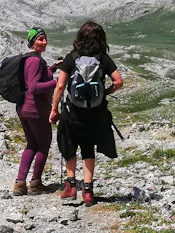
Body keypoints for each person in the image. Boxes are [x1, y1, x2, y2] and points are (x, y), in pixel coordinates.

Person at [50, 21, 123, 206]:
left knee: (69, 145)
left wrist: (54, 109)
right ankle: (88, 192)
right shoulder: (103, 58)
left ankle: (71, 187)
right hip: (95, 113)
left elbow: (60, 86)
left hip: (72, 112)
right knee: (88, 148)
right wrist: (105, 92)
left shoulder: (71, 57)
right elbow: (119, 82)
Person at [13, 28, 61, 196]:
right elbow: (33, 87)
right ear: (33, 42)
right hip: (35, 109)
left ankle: (20, 184)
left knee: (32, 144)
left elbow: (38, 77)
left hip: (24, 108)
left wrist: (54, 67)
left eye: (45, 39)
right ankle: (35, 183)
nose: (45, 42)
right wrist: (56, 82)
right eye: (40, 39)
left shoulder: (30, 59)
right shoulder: (34, 61)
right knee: (43, 145)